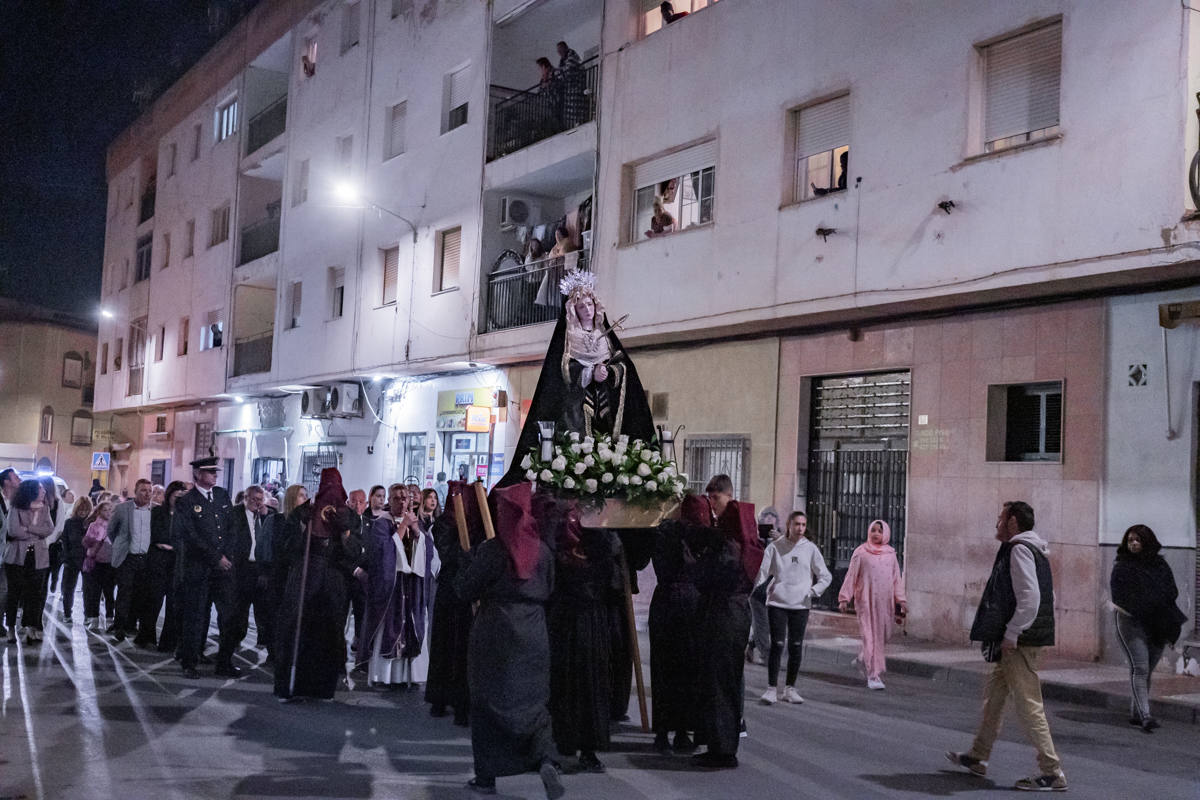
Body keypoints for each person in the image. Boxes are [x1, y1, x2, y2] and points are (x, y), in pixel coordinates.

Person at [947, 501, 1068, 793]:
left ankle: (1051, 772)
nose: (996, 524)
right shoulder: (1034, 549)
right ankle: (978, 755)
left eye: (1000, 519)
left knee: (1028, 704)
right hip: (1023, 638)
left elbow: (1031, 597)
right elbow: (1048, 596)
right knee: (995, 698)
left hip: (1020, 641)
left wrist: (1013, 632)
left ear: (1013, 522)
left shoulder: (1020, 550)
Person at [456, 481, 564, 799]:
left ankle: (486, 776)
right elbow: (551, 588)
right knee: (534, 703)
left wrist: (466, 560)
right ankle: (545, 759)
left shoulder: (494, 550)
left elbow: (465, 589)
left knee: (488, 703)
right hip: (533, 631)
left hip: (496, 632)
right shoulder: (543, 551)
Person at [684, 475, 764, 769]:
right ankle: (718, 745)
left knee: (721, 683)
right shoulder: (739, 537)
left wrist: (696, 561)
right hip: (730, 613)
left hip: (726, 614)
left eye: (715, 497)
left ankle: (724, 750)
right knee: (721, 681)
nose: (711, 504)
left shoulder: (731, 543)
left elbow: (714, 576)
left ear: (727, 496)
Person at [273, 468, 359, 701]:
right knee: (296, 629)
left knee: (329, 633)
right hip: (304, 577)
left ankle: (322, 687)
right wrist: (303, 528)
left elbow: (355, 552)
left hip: (332, 581)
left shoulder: (349, 516)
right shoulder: (304, 512)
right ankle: (289, 686)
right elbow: (286, 547)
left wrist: (345, 533)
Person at [548, 509, 622, 773]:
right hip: (583, 623)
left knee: (576, 685)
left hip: (575, 623)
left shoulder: (569, 555)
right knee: (582, 685)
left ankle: (574, 746)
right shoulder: (594, 554)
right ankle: (580, 747)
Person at [359, 483, 439, 687]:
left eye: (405, 498)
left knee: (411, 627)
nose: (402, 502)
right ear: (389, 501)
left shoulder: (415, 522)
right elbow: (382, 553)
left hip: (411, 585)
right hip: (391, 589)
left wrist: (417, 532)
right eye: (397, 498)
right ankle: (385, 676)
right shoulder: (381, 524)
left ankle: (407, 676)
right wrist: (403, 527)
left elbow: (428, 552)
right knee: (390, 629)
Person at [1110, 524, 1187, 733]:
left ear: (1147, 542)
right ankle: (1145, 715)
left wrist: (1155, 604)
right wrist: (1146, 603)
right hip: (1131, 623)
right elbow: (1120, 597)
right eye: (1130, 540)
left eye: (1138, 540)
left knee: (1147, 669)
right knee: (1141, 668)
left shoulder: (1159, 565)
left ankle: (1137, 713)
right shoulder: (1122, 567)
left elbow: (1171, 591)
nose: (1134, 544)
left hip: (1157, 624)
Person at [173, 457, 241, 680]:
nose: (215, 475)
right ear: (198, 474)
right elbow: (190, 535)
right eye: (210, 471)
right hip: (199, 568)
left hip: (223, 569)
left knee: (229, 616)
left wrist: (226, 555)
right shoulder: (186, 501)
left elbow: (231, 527)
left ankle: (224, 662)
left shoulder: (221, 495)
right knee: (195, 617)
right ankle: (189, 661)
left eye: (216, 471)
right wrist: (215, 557)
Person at [756, 510, 831, 704]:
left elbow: (825, 576)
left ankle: (790, 689)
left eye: (803, 525)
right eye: (797, 524)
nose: (800, 528)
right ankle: (771, 688)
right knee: (777, 644)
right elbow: (762, 573)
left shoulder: (811, 549)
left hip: (801, 604)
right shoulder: (775, 547)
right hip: (777, 602)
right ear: (789, 525)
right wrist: (752, 589)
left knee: (796, 646)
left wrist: (813, 591)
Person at [649, 500, 703, 754]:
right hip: (679, 604)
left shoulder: (669, 533)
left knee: (674, 671)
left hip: (674, 603)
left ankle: (672, 732)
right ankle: (672, 733)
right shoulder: (676, 535)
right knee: (676, 671)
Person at [426, 481, 478, 726]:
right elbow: (446, 553)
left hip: (464, 591)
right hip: (450, 589)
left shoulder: (475, 525)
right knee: (445, 644)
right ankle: (440, 699)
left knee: (463, 647)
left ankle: (461, 703)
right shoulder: (444, 524)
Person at [837, 519, 906, 690]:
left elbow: (896, 579)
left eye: (880, 531)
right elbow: (851, 576)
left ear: (886, 534)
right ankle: (873, 675)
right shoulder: (861, 553)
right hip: (866, 602)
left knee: (882, 637)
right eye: (873, 530)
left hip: (885, 604)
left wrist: (901, 600)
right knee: (870, 637)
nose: (876, 534)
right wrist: (844, 598)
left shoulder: (890, 554)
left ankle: (862, 659)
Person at [3, 479, 55, 643]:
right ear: (31, 491)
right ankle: (11, 627)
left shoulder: (45, 508)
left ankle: (30, 626)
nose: (44, 491)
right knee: (14, 592)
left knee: (35, 593)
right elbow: (14, 530)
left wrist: (29, 529)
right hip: (17, 556)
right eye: (40, 489)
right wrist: (36, 534)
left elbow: (49, 529)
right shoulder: (16, 507)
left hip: (38, 557)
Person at [231, 485, 277, 660]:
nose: (257, 503)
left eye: (260, 499)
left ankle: (265, 641)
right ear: (246, 498)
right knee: (240, 608)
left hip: (261, 568)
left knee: (264, 608)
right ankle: (235, 638)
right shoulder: (236, 514)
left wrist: (264, 515)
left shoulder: (268, 516)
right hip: (242, 567)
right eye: (253, 499)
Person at [108, 478, 156, 644]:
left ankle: (132, 624)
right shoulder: (123, 509)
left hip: (146, 559)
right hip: (128, 557)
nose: (147, 494)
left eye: (149, 491)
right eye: (143, 490)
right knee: (124, 593)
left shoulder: (155, 510)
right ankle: (119, 626)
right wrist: (120, 547)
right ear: (135, 492)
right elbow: (111, 531)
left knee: (141, 594)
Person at [149, 481, 187, 654]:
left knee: (173, 603)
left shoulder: (185, 515)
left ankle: (168, 642)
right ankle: (147, 635)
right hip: (159, 560)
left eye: (181, 497)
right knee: (154, 600)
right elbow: (154, 534)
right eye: (175, 496)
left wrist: (175, 547)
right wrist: (162, 543)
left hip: (176, 561)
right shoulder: (158, 512)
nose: (178, 500)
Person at [81, 500, 117, 630]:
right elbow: (85, 543)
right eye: (105, 510)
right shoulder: (94, 525)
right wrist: (95, 538)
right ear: (99, 511)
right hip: (96, 561)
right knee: (95, 592)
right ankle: (94, 618)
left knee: (109, 592)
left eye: (110, 510)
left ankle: (109, 618)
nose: (108, 512)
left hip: (111, 562)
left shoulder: (115, 525)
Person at [59, 496, 92, 624]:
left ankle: (87, 615)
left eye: (85, 510)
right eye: (80, 509)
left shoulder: (91, 523)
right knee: (68, 589)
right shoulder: (69, 523)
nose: (83, 512)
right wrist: (66, 558)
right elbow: (65, 541)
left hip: (87, 560)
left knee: (88, 590)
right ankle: (67, 613)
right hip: (71, 560)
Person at [557, 41, 586, 129]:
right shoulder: (563, 61)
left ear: (565, 48)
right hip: (569, 91)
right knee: (569, 112)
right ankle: (571, 126)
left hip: (575, 89)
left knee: (576, 109)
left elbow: (568, 71)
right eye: (558, 51)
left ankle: (577, 124)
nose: (559, 53)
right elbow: (560, 74)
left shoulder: (572, 57)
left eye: (560, 50)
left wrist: (558, 72)